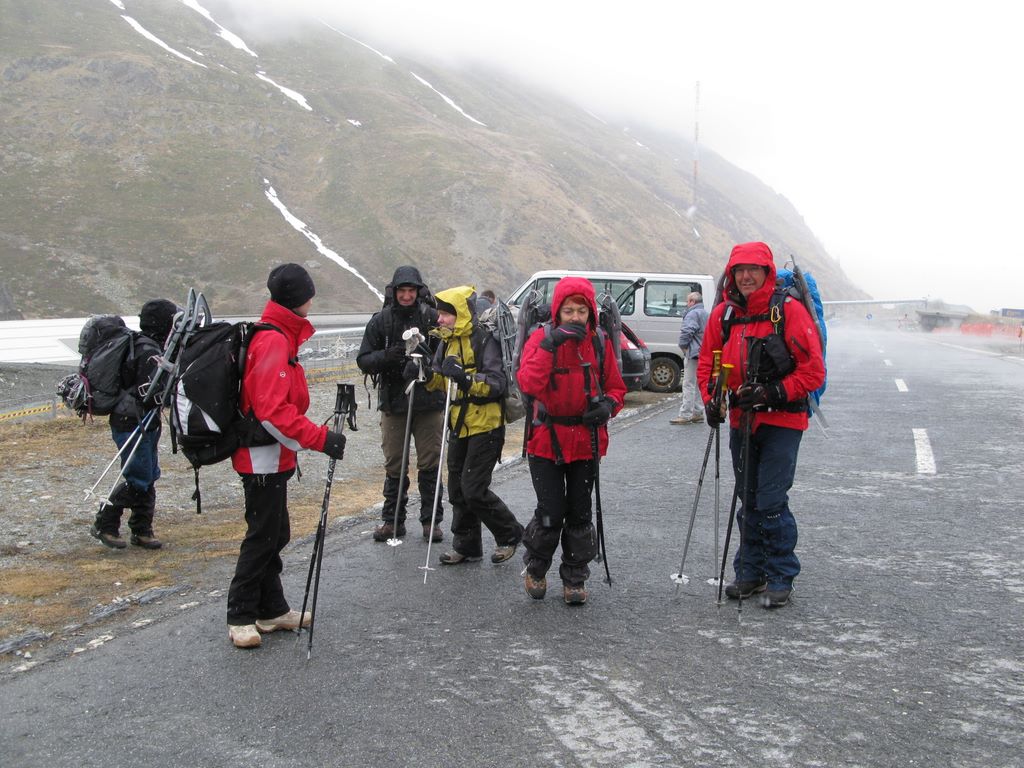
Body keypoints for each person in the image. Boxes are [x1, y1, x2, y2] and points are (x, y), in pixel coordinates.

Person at [226, 263, 347, 649]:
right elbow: (271, 411)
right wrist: (321, 439)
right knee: (262, 534)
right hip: (261, 455)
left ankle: (271, 608)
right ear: (301, 297)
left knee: (276, 532)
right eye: (310, 292)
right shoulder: (275, 340)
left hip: (272, 453)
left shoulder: (280, 335)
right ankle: (240, 615)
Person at [697, 242, 825, 609]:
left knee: (770, 500)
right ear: (731, 274)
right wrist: (712, 400)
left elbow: (813, 370)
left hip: (783, 419)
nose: (747, 276)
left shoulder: (789, 312)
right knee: (748, 497)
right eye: (740, 270)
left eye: (755, 269)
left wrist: (773, 390)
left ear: (768, 272)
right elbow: (708, 362)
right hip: (742, 418)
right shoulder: (724, 314)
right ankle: (750, 573)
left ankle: (781, 574)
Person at [516, 277, 626, 605]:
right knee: (550, 510)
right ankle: (536, 568)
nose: (575, 317)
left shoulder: (599, 342)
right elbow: (528, 383)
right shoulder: (540, 338)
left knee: (579, 511)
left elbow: (616, 388)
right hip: (546, 439)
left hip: (586, 441)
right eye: (568, 310)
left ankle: (575, 576)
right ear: (557, 312)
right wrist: (550, 346)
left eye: (581, 310)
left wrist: (607, 406)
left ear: (591, 312)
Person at [422, 286, 523, 565]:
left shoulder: (483, 340)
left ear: (460, 314)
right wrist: (424, 375)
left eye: (444, 314)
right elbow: (443, 383)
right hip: (459, 424)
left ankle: (510, 533)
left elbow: (496, 383)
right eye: (439, 314)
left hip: (486, 425)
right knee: (457, 489)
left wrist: (466, 380)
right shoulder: (447, 342)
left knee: (473, 489)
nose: (439, 319)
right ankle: (467, 546)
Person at [356, 266, 446, 543]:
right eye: (402, 290)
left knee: (430, 463)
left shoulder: (433, 319)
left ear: (418, 291)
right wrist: (390, 357)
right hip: (394, 404)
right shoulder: (380, 321)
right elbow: (363, 360)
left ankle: (431, 522)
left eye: (411, 290)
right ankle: (392, 521)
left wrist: (427, 366)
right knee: (395, 464)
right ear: (394, 292)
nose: (406, 295)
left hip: (429, 403)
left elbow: (448, 356)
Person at [90, 299, 178, 550]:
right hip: (132, 421)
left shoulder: (144, 345)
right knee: (139, 477)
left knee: (148, 474)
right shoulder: (147, 350)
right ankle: (106, 524)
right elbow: (147, 390)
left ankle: (142, 530)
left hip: (140, 420)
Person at [669, 291, 708, 425]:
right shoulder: (705, 313)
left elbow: (687, 331)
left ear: (692, 302)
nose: (686, 304)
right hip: (703, 352)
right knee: (697, 384)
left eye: (687, 301)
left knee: (688, 383)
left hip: (693, 352)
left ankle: (685, 414)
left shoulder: (692, 314)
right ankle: (698, 412)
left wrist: (683, 346)